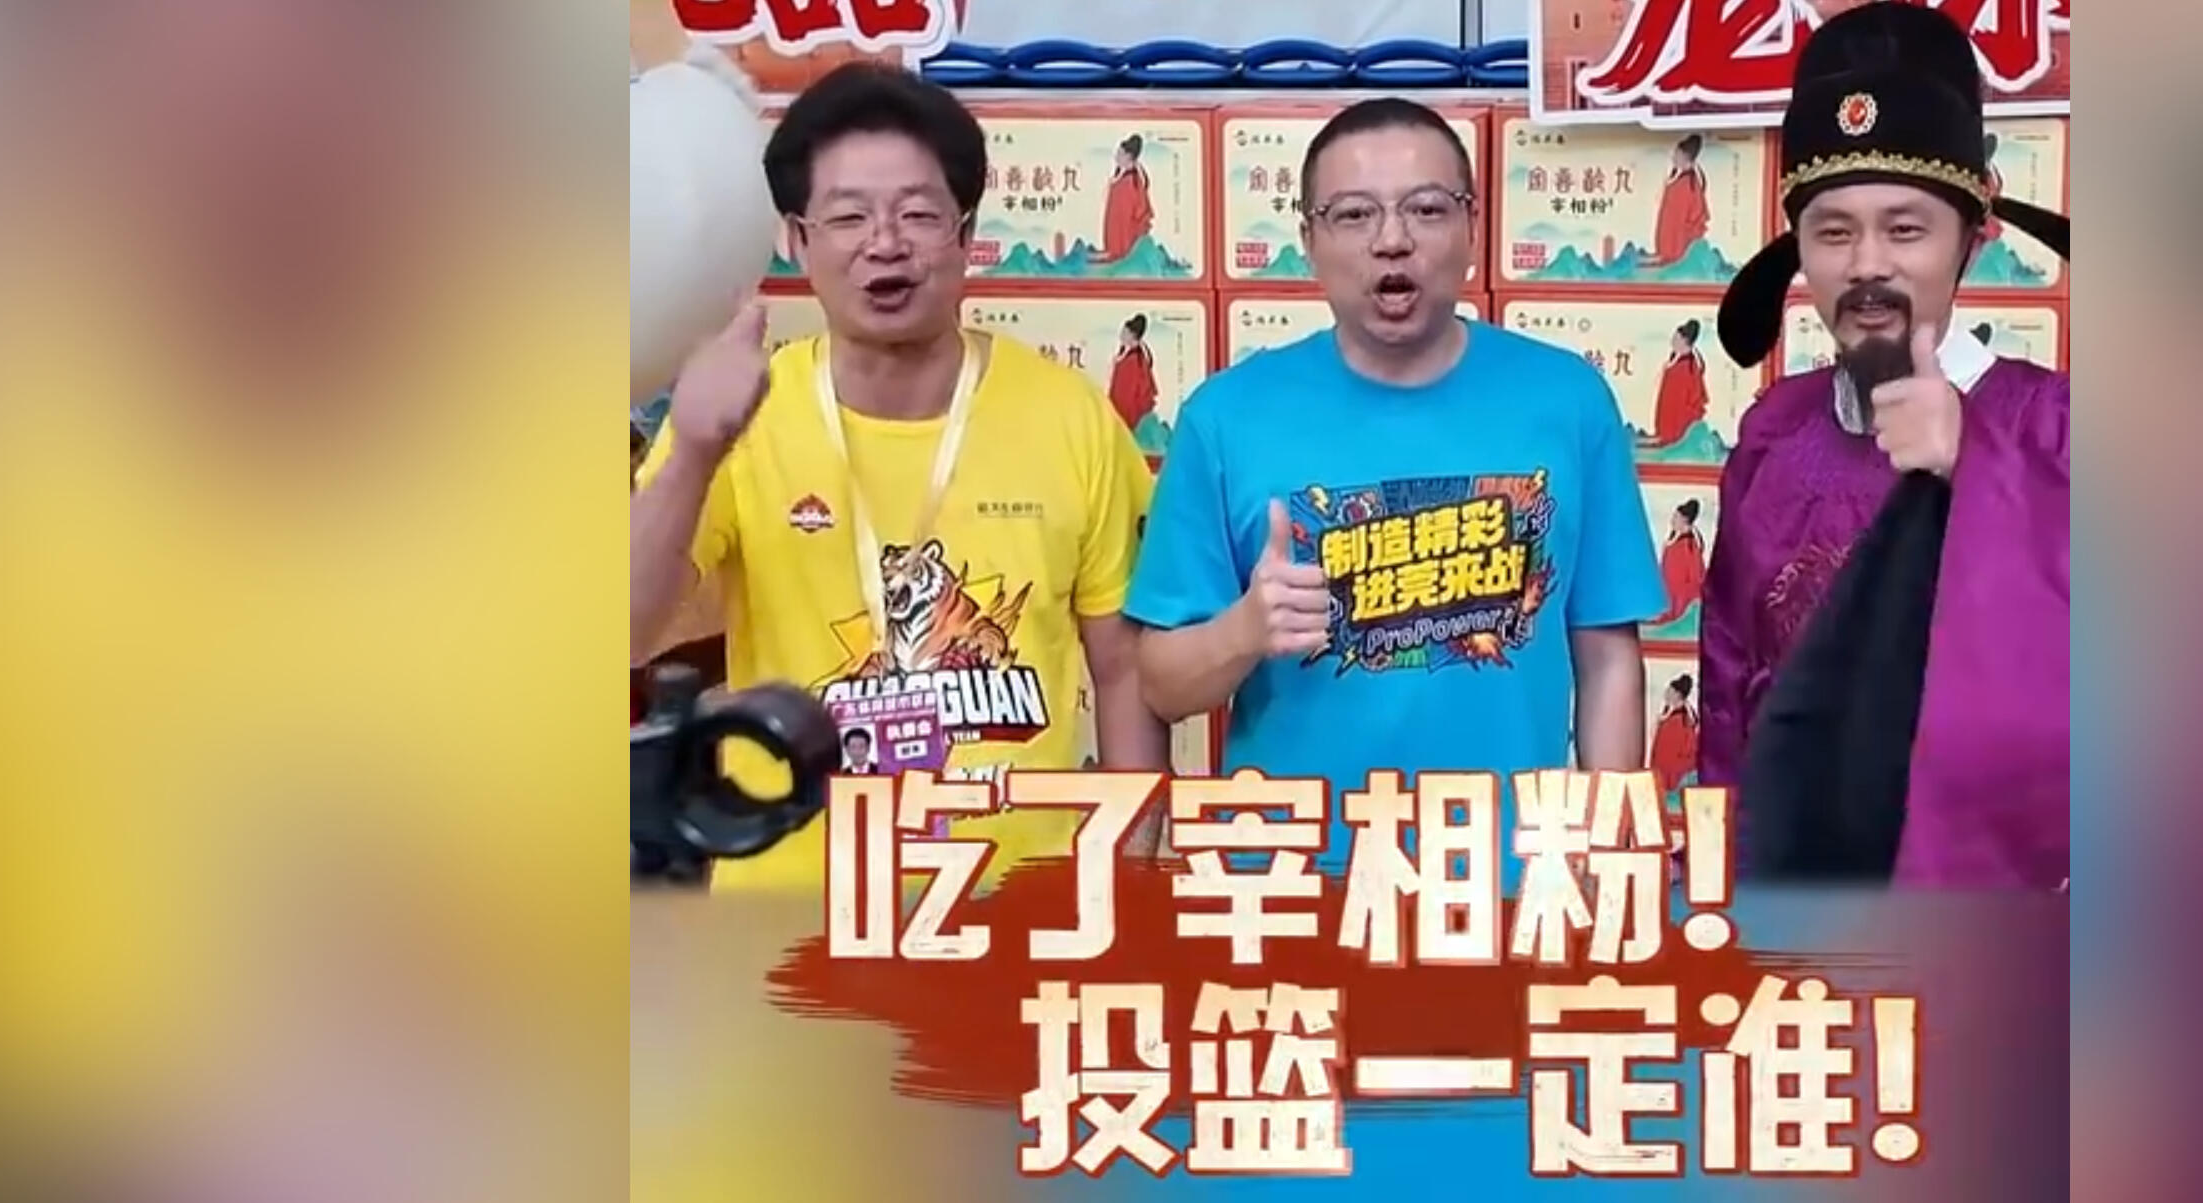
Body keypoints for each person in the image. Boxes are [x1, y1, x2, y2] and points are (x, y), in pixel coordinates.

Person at [633, 62, 1165, 891]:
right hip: (789, 910)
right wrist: (696, 451)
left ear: (966, 232)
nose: (885, 243)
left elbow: (1125, 671)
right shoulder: (741, 419)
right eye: (848, 216)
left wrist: (1129, 880)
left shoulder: (1072, 417)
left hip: (1021, 906)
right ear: (796, 240)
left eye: (918, 213)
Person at [1125, 96, 1661, 812]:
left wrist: (1607, 841)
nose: (1392, 240)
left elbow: (1608, 658)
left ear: (1473, 227)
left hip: (1507, 860)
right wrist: (1243, 632)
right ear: (1309, 240)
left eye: (1427, 209)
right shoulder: (1225, 418)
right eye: (1353, 214)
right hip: (1293, 862)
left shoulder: (1568, 399)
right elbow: (1160, 686)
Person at [1697, 0, 2071, 886]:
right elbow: (1729, 692)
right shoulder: (1774, 433)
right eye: (1834, 231)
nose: (1868, 264)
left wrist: (1975, 464)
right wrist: (1718, 881)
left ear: (1973, 236)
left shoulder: (2058, 429)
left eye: (1906, 229)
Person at [1649, 318, 1711, 448]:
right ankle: (1666, 435)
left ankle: (1672, 436)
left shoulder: (1688, 367)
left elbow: (1690, 397)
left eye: (1676, 339)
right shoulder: (1677, 361)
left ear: (1685, 341)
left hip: (1680, 414)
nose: (1673, 341)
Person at [1650, 132, 1709, 265]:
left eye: (1677, 154)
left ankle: (1670, 254)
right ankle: (1666, 253)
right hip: (1671, 237)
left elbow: (1684, 218)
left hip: (1679, 239)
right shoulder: (1682, 181)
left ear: (1685, 157)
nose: (1674, 157)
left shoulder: (1688, 185)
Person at [1101, 133, 1155, 263]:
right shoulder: (1123, 178)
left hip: (1126, 235)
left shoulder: (1130, 182)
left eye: (1120, 154)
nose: (1116, 157)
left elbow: (1128, 216)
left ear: (1128, 156)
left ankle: (1120, 251)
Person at [1655, 496, 1707, 626]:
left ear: (1684, 520)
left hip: (1681, 601)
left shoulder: (1688, 546)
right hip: (1670, 597)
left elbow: (1695, 576)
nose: (1672, 521)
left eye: (1676, 517)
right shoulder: (1676, 542)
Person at [1106, 312, 1160, 435]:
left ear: (1132, 335)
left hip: (1129, 413)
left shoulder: (1133, 361)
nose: (1121, 335)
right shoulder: (1130, 354)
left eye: (1125, 332)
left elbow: (1127, 394)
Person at [1650, 674, 1699, 790]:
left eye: (1669, 691)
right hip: (1665, 768)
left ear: (1677, 694)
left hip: (1674, 772)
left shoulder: (1682, 719)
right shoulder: (1669, 714)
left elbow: (1686, 749)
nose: (1666, 694)